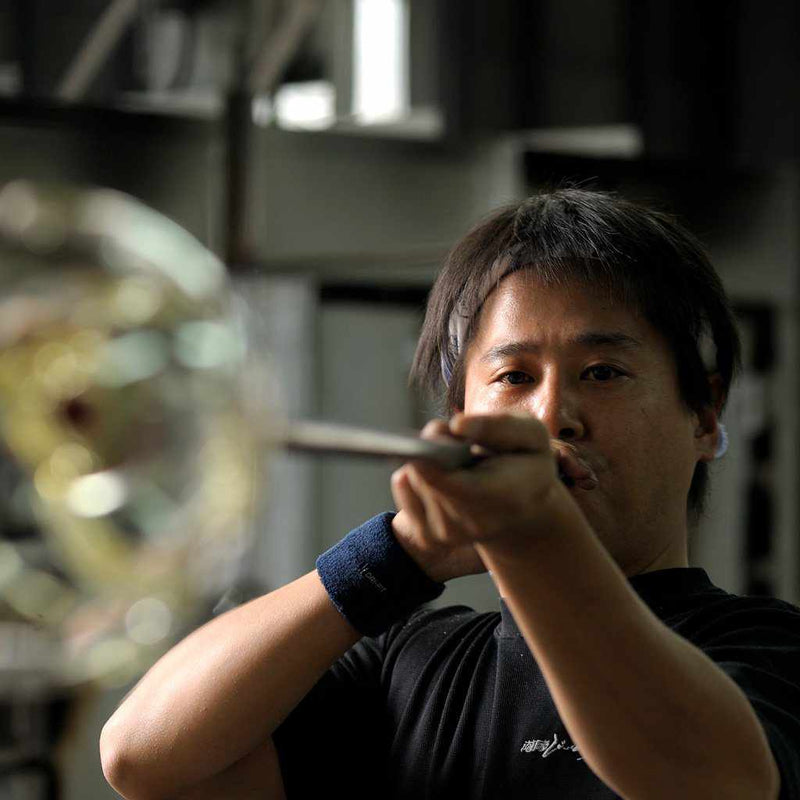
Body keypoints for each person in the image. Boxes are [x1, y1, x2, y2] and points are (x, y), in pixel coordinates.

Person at [100, 189, 800, 800]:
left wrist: (535, 533)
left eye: (604, 371)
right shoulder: (410, 664)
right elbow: (142, 759)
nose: (553, 415)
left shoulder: (768, 650)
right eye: (514, 378)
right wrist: (397, 553)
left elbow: (713, 786)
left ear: (706, 417)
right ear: (460, 414)